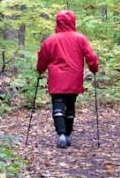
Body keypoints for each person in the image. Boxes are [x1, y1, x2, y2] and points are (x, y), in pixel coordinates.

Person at [36, 10, 99, 148]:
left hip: (57, 79)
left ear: (57, 22)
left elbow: (42, 58)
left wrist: (40, 70)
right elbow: (91, 56)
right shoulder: (80, 38)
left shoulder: (51, 40)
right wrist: (94, 68)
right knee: (70, 106)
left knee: (58, 106)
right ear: (73, 21)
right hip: (74, 78)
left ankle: (62, 134)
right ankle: (68, 134)